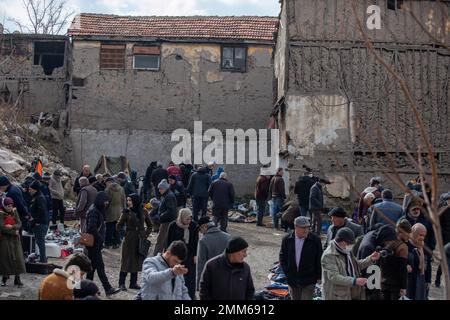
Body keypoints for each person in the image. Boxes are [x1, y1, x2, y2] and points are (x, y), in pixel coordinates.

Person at [321, 227, 380, 300]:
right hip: (337, 295)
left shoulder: (346, 250)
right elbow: (334, 277)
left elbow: (356, 265)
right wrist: (355, 281)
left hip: (352, 291)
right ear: (342, 241)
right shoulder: (329, 255)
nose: (350, 245)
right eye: (348, 243)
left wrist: (370, 259)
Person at [85, 191, 120, 296]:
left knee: (91, 269)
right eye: (105, 201)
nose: (107, 203)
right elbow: (91, 227)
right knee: (100, 267)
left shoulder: (97, 209)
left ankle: (88, 291)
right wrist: (100, 238)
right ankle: (107, 288)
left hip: (95, 244)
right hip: (94, 244)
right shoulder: (94, 211)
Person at [279, 216, 322, 300]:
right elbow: (282, 256)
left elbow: (319, 258)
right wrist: (287, 272)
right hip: (293, 279)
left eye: (307, 227)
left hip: (309, 280)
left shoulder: (315, 240)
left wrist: (319, 276)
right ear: (295, 227)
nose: (306, 230)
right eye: (303, 228)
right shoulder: (287, 239)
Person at [116, 193, 152, 291]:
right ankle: (121, 283)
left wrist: (145, 234)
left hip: (140, 239)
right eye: (127, 200)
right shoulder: (126, 212)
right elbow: (118, 225)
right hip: (129, 239)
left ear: (135, 201)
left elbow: (150, 225)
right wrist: (125, 234)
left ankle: (133, 283)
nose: (128, 202)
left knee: (136, 260)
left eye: (130, 200)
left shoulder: (143, 211)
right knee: (126, 260)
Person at [166, 208, 198, 299]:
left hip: (189, 255)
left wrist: (195, 255)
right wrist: (167, 253)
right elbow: (168, 241)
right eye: (187, 219)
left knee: (190, 277)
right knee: (175, 275)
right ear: (182, 217)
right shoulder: (173, 225)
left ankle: (190, 296)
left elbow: (195, 242)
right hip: (176, 255)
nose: (189, 221)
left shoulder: (193, 226)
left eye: (190, 219)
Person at [196, 217, 231, 290]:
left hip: (211, 279)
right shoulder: (228, 237)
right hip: (228, 277)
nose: (201, 232)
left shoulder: (203, 241)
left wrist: (199, 284)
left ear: (204, 227)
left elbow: (201, 264)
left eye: (200, 230)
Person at [377, 223, 410, 300]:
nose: (409, 236)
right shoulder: (403, 247)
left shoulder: (386, 242)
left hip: (383, 283)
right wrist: (403, 287)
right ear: (400, 232)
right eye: (408, 233)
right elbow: (402, 269)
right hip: (395, 286)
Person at [0, 197, 26, 287]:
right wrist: (13, 231)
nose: (9, 207)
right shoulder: (1, 214)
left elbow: (19, 223)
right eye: (7, 206)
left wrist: (12, 227)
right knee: (6, 259)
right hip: (5, 240)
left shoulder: (15, 211)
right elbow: (2, 227)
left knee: (17, 258)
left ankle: (17, 278)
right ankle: (4, 278)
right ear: (4, 206)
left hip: (15, 240)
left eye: (11, 206)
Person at [407, 223, 432, 300]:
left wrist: (428, 280)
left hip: (420, 278)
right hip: (409, 279)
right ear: (413, 233)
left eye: (424, 235)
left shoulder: (424, 247)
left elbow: (428, 264)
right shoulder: (407, 245)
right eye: (420, 235)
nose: (422, 238)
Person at [153, 179, 177, 256]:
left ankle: (156, 256)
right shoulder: (166, 195)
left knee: (160, 240)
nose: (159, 191)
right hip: (166, 221)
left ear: (164, 188)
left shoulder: (169, 196)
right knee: (164, 240)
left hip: (167, 222)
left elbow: (171, 210)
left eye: (160, 189)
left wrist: (160, 216)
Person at [28, 180, 49, 263]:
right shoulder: (37, 196)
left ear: (35, 189)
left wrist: (37, 221)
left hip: (41, 224)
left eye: (30, 189)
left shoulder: (40, 197)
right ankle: (41, 257)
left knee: (40, 242)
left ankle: (43, 259)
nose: (29, 191)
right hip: (40, 223)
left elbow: (42, 211)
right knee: (39, 241)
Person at [105, 177, 125, 249]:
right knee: (117, 228)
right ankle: (117, 243)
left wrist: (104, 210)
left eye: (106, 183)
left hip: (110, 211)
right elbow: (124, 200)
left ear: (109, 182)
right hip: (119, 211)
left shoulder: (107, 190)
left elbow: (106, 202)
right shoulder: (121, 189)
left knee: (109, 228)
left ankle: (108, 243)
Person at [436, 193, 450, 287]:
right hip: (444, 239)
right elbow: (437, 224)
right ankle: (438, 279)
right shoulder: (443, 210)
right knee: (444, 260)